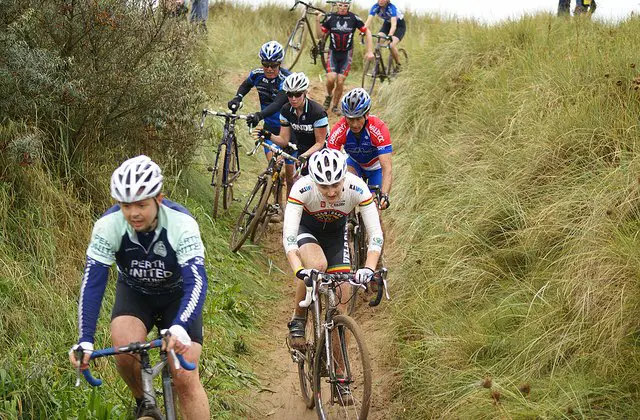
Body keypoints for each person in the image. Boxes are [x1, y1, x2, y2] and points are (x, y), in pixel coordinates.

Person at [69, 155, 210, 419]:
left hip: (177, 295)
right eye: (125, 205)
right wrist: (85, 339)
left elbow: (197, 281)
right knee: (124, 351)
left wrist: (180, 325)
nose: (133, 213)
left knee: (185, 378)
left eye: (142, 205)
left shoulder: (182, 223)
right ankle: (144, 401)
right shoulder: (108, 226)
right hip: (135, 293)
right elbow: (93, 283)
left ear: (159, 199)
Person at [282, 149, 383, 351]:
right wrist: (298, 270)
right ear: (313, 180)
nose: (331, 192)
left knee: (341, 304)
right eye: (324, 186)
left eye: (336, 184)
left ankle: (339, 373)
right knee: (317, 265)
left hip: (336, 236)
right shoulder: (302, 188)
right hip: (306, 230)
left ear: (344, 177)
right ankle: (298, 319)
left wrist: (369, 268)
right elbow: (290, 238)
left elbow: (375, 235)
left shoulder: (357, 188)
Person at [261, 72, 328, 197]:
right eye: (289, 94)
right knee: (298, 188)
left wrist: (305, 155)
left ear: (305, 93)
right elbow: (284, 140)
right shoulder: (286, 110)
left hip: (320, 152)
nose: (293, 98)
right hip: (302, 150)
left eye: (297, 94)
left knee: (316, 189)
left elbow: (320, 143)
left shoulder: (317, 112)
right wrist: (268, 135)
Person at [327, 88, 392, 211]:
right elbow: (331, 162)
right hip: (354, 163)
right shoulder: (339, 129)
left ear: (366, 115)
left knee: (373, 209)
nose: (354, 124)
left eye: (358, 118)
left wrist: (385, 195)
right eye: (350, 119)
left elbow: (387, 168)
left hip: (375, 168)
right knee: (344, 195)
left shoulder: (378, 128)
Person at [228, 41, 291, 160]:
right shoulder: (257, 74)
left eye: (273, 65)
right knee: (274, 166)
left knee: (287, 174)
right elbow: (246, 85)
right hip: (270, 127)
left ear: (279, 63)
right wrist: (238, 98)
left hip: (288, 129)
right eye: (265, 64)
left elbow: (277, 103)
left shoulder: (287, 79)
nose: (269, 68)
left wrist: (259, 115)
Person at [318, 0, 374, 114]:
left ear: (349, 6)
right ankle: (329, 96)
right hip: (333, 53)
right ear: (336, 5)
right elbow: (319, 35)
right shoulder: (330, 18)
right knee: (331, 79)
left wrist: (369, 51)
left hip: (346, 54)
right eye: (340, 5)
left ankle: (335, 106)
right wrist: (316, 21)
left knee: (340, 81)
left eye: (345, 5)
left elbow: (367, 31)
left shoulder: (354, 18)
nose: (342, 8)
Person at [364, 0, 407, 70]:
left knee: (391, 45)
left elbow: (394, 24)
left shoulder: (391, 8)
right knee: (379, 40)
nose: (381, 1)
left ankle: (399, 65)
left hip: (399, 25)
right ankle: (378, 66)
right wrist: (363, 30)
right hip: (387, 24)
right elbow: (368, 21)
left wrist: (390, 35)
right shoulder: (376, 7)